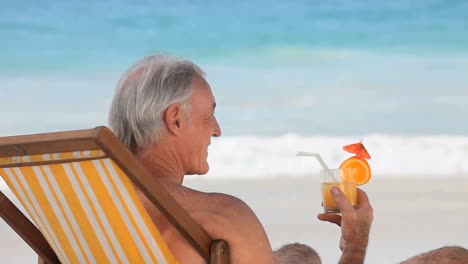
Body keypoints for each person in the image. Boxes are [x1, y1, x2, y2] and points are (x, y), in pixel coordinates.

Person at [108, 54, 465, 263]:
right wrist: (355, 247)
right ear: (175, 119)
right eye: (208, 116)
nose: (216, 130)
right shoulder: (223, 216)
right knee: (454, 258)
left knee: (300, 255)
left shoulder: (74, 206)